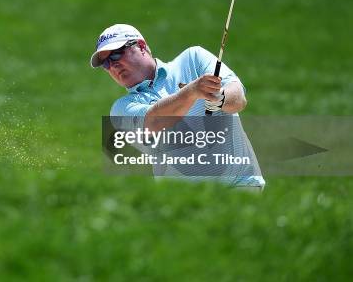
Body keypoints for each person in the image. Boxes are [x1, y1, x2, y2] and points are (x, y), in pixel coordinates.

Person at [90, 24, 265, 190]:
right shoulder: (121, 109)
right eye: (105, 64)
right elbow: (155, 121)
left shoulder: (193, 58)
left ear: (142, 46)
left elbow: (238, 99)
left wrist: (218, 99)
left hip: (240, 184)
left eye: (115, 55)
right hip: (184, 202)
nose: (112, 65)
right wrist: (192, 92)